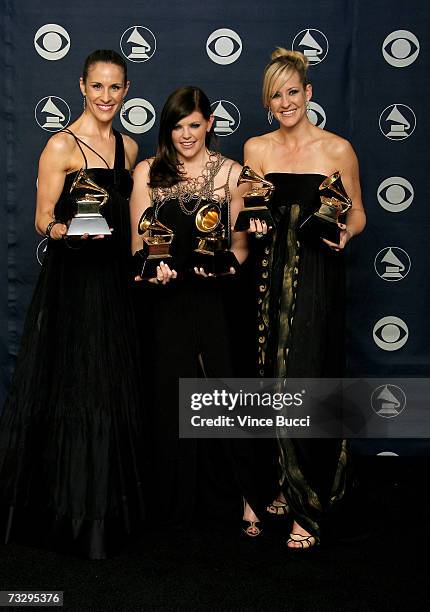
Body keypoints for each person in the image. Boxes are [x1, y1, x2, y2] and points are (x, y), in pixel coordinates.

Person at [0, 49, 144, 559]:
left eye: (115, 87)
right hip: (72, 282)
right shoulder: (59, 144)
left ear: (126, 91)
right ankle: (66, 515)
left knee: (108, 388)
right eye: (97, 86)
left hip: (113, 283)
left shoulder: (128, 148)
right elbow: (42, 216)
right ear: (82, 86)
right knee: (75, 388)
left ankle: (102, 513)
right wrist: (61, 229)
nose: (106, 97)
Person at [130, 86, 273, 533]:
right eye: (177, 126)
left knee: (225, 391)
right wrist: (152, 269)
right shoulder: (147, 172)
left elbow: (240, 244)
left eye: (194, 124)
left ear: (209, 123)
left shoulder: (231, 173)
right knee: (169, 393)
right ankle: (172, 502)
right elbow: (139, 241)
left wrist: (228, 267)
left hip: (216, 296)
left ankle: (251, 496)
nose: (186, 134)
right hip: (165, 300)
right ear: (167, 128)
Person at [244, 48, 366, 549]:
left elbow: (356, 214)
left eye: (293, 91)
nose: (286, 101)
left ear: (309, 93)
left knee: (310, 376)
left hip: (317, 276)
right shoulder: (256, 148)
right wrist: (250, 222)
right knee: (268, 380)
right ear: (268, 101)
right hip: (268, 276)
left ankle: (309, 502)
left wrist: (345, 236)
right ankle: (276, 484)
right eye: (277, 94)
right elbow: (251, 210)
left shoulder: (338, 150)